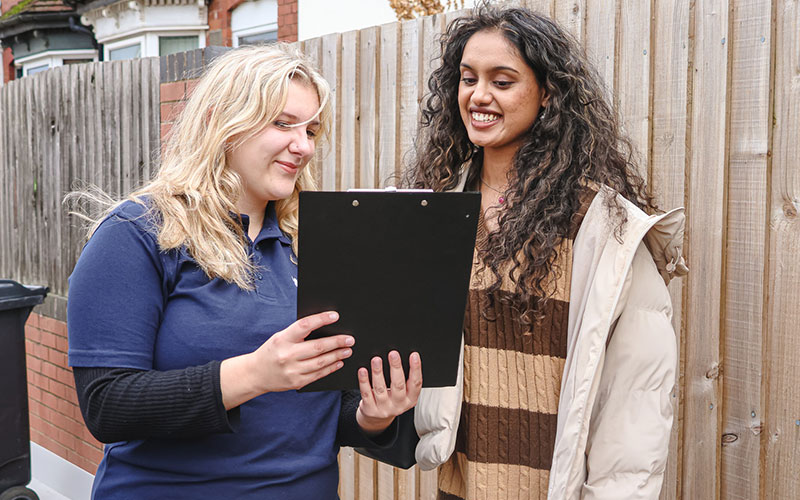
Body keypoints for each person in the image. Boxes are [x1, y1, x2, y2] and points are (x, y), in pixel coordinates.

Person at [66, 44, 422, 499]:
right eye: (282, 123)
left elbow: (317, 412)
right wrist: (254, 373)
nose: (303, 145)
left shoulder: (313, 244)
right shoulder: (138, 234)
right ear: (221, 122)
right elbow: (106, 405)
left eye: (311, 129)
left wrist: (372, 416)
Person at [406, 5, 688, 500]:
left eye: (503, 80)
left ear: (548, 94)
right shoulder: (438, 215)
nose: (479, 95)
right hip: (461, 486)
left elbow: (635, 403)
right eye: (468, 78)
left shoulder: (605, 230)